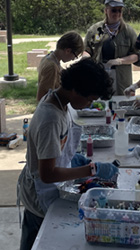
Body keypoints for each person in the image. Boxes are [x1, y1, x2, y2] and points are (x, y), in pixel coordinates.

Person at [17, 58, 118, 250]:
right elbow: (47, 174)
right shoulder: (51, 118)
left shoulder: (63, 103)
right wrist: (90, 169)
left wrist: (72, 160)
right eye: (89, 98)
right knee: (37, 241)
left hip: (53, 182)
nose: (90, 103)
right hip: (40, 193)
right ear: (75, 89)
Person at [83, 0, 140, 95]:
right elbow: (87, 49)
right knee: (100, 103)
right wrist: (85, 58)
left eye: (120, 10)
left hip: (121, 79)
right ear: (106, 10)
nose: (117, 13)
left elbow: (137, 56)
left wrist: (120, 61)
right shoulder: (96, 30)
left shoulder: (128, 32)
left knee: (120, 105)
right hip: (99, 76)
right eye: (114, 10)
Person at [36, 30, 84, 101]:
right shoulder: (52, 67)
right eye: (75, 56)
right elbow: (42, 96)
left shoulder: (50, 58)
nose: (73, 59)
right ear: (68, 51)